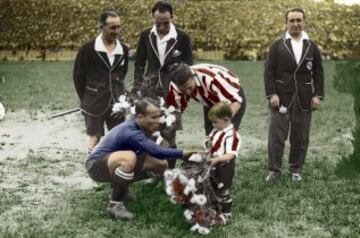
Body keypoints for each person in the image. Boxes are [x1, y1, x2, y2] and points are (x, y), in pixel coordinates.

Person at [85, 97, 196, 220]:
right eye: (153, 117)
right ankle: (114, 205)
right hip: (95, 166)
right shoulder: (130, 131)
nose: (158, 121)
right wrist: (184, 153)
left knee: (161, 164)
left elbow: (153, 150)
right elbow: (156, 151)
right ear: (139, 116)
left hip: (110, 161)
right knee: (128, 158)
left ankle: (120, 188)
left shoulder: (140, 125)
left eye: (159, 116)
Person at [264, 7, 324, 182]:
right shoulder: (277, 44)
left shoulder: (311, 46)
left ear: (304, 22)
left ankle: (296, 169)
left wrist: (317, 95)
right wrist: (272, 94)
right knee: (277, 136)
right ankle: (274, 170)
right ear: (287, 22)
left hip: (304, 98)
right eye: (292, 20)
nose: (296, 24)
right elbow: (268, 72)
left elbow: (319, 73)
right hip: (281, 97)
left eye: (299, 20)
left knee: (300, 137)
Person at [132, 1, 193, 170]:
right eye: (158, 22)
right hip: (149, 91)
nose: (162, 26)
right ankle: (155, 171)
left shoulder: (182, 37)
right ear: (152, 18)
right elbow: (139, 63)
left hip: (172, 93)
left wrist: (184, 90)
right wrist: (137, 85)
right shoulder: (146, 35)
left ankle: (169, 173)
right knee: (149, 131)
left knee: (169, 132)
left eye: (166, 22)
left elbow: (189, 66)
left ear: (172, 17)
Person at [73, 11, 129, 153]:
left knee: (119, 137)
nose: (116, 31)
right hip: (94, 102)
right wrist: (86, 99)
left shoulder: (123, 49)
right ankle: (92, 166)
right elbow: (78, 77)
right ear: (101, 27)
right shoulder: (88, 49)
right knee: (94, 138)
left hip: (117, 102)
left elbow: (122, 74)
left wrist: (119, 92)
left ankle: (115, 167)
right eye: (112, 28)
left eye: (118, 27)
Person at [167, 63, 246, 135]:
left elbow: (236, 102)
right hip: (209, 101)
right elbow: (174, 111)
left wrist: (224, 121)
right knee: (210, 138)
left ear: (193, 76)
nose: (188, 92)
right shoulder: (175, 87)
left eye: (189, 87)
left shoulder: (212, 79)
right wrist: (167, 131)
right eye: (183, 90)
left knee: (223, 135)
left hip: (232, 97)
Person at [205, 102, 241, 222]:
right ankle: (214, 209)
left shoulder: (233, 136)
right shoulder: (216, 130)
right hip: (213, 163)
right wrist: (207, 142)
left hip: (224, 167)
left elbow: (230, 154)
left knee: (223, 190)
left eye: (215, 122)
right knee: (212, 187)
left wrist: (218, 159)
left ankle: (226, 212)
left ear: (226, 120)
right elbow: (210, 139)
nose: (213, 125)